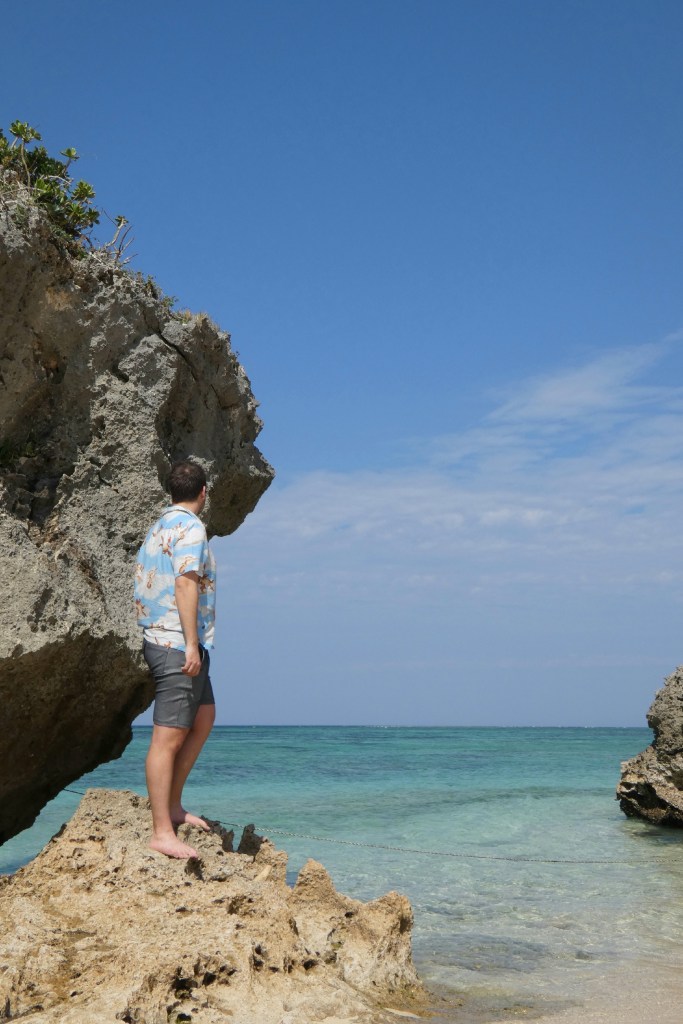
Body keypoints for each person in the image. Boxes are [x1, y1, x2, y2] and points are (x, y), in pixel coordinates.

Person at [134, 459, 217, 859]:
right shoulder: (191, 528)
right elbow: (186, 585)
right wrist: (190, 644)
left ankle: (173, 805)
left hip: (168, 638)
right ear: (203, 492)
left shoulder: (159, 527)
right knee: (166, 739)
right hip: (175, 643)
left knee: (203, 718)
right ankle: (161, 832)